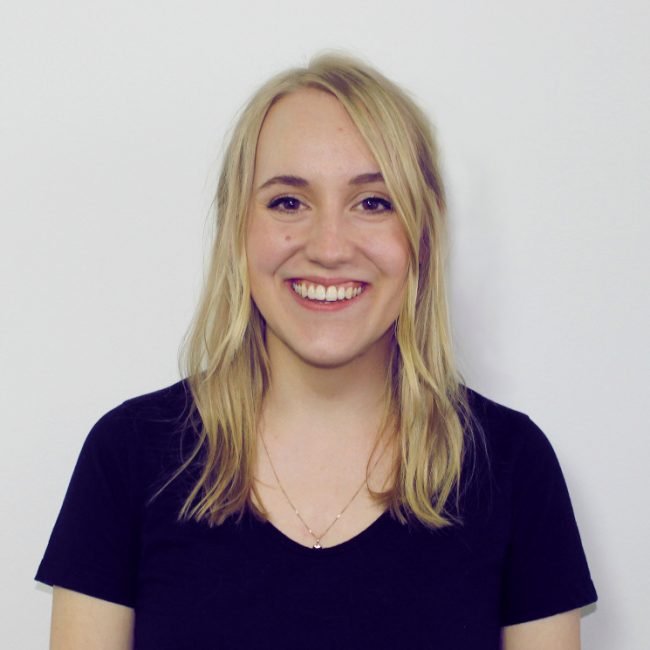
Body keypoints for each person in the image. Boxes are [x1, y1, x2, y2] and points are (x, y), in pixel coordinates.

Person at [36, 54, 597, 649]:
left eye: (373, 202)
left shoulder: (512, 467)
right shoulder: (127, 457)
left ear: (422, 235)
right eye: (288, 202)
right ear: (237, 231)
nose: (329, 248)